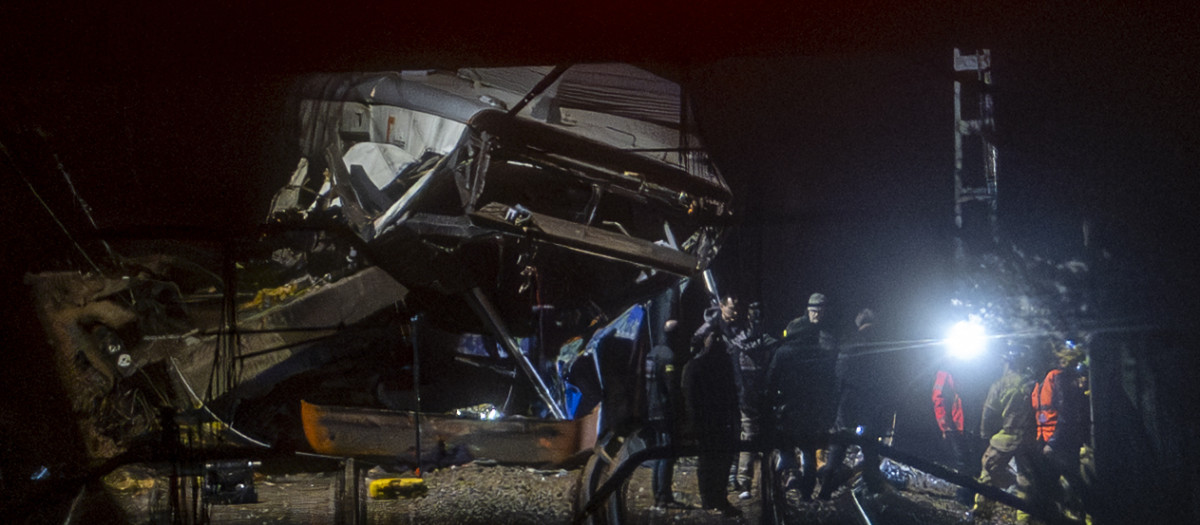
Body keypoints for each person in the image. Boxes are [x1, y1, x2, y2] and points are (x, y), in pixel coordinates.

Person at [767, 292, 838, 501]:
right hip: (810, 407)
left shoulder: (783, 352)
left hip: (788, 408)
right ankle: (807, 492)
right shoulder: (819, 352)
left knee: (786, 446)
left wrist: (770, 401)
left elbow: (771, 379)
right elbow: (828, 381)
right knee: (808, 450)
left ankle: (788, 479)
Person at [821, 307, 893, 498]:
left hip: (847, 407)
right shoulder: (882, 347)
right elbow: (887, 382)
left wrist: (835, 407)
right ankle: (875, 491)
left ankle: (825, 491)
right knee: (870, 451)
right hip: (870, 409)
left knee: (837, 449)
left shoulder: (848, 346)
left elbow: (838, 379)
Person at [682, 294, 743, 517]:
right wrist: (694, 422)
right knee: (708, 461)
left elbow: (731, 392)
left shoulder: (721, 365)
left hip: (720, 420)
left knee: (722, 460)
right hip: (708, 421)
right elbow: (691, 396)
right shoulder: (696, 367)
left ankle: (719, 498)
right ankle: (710, 499)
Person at [971, 343, 1039, 522]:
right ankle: (1023, 520)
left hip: (1006, 436)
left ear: (1008, 362)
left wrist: (985, 434)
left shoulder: (1001, 384)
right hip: (1028, 438)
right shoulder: (1032, 384)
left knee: (988, 471)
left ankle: (981, 513)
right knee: (1026, 482)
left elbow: (988, 412)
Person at [1032, 341, 1089, 515]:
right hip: (1048, 440)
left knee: (1073, 483)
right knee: (1055, 485)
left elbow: (1067, 413)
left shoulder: (1058, 377)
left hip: (1060, 442)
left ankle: (1084, 516)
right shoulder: (1043, 381)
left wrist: (1053, 443)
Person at [728, 301, 776, 499]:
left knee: (758, 439)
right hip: (748, 397)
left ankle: (755, 482)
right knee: (748, 437)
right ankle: (743, 481)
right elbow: (736, 374)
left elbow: (772, 370)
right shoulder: (739, 344)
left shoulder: (768, 343)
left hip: (760, 396)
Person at [933, 366, 975, 505]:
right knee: (963, 462)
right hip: (956, 425)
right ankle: (965, 496)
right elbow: (939, 399)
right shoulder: (945, 373)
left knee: (969, 460)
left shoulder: (967, 369)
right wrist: (946, 426)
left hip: (967, 424)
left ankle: (969, 493)